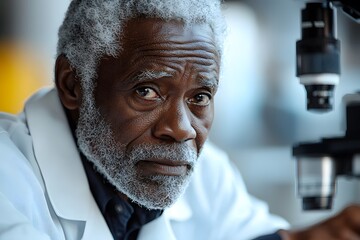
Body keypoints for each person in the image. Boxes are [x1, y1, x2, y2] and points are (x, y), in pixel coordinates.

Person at [1, 0, 360, 239]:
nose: (181, 128)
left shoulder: (204, 174)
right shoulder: (8, 176)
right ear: (73, 84)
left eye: (200, 97)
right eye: (147, 91)